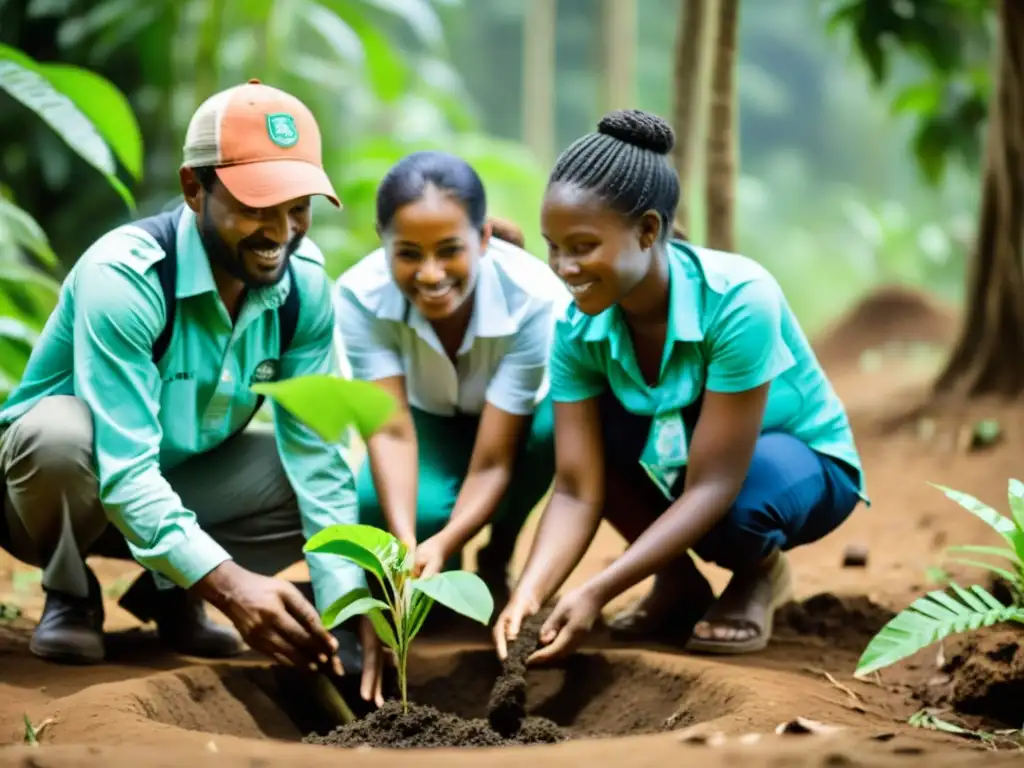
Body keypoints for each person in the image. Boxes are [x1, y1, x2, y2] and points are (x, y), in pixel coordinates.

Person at [0, 79, 384, 706]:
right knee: (60, 436)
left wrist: (342, 614)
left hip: (181, 477)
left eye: (298, 206)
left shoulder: (306, 287)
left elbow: (318, 457)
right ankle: (70, 591)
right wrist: (231, 588)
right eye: (258, 204)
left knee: (335, 480)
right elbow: (124, 469)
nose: (281, 231)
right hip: (52, 491)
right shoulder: (126, 277)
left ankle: (168, 593)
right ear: (192, 188)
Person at [493, 109, 867, 663]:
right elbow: (576, 487)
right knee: (574, 434)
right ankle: (678, 583)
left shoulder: (739, 298)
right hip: (692, 460)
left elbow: (714, 483)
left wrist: (598, 589)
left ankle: (757, 573)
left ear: (647, 230)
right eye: (553, 246)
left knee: (737, 513)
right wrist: (531, 590)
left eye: (582, 246)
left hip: (794, 465)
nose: (563, 267)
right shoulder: (576, 325)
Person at [334, 150, 570, 607]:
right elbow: (390, 430)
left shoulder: (534, 297)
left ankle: (497, 552)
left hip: (516, 431)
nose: (430, 273)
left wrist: (443, 541)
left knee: (556, 430)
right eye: (407, 253)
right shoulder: (359, 297)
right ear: (382, 240)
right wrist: (403, 544)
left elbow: (493, 463)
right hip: (425, 422)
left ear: (482, 238)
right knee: (373, 511)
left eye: (449, 251)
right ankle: (443, 556)